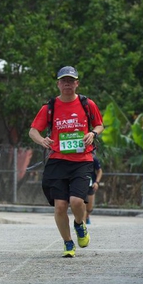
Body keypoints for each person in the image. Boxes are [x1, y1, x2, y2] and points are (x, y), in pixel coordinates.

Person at [29, 66, 104, 258]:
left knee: (77, 201)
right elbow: (33, 131)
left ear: (77, 83)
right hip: (58, 161)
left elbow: (99, 125)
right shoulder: (50, 107)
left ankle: (79, 224)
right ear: (58, 84)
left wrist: (92, 133)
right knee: (60, 206)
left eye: (71, 81)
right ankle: (68, 243)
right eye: (64, 81)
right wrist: (42, 140)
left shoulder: (87, 104)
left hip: (82, 160)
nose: (67, 84)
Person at [86, 155, 103, 225]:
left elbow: (99, 171)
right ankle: (81, 221)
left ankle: (87, 216)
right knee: (80, 204)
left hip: (90, 184)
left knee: (89, 207)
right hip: (79, 184)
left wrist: (96, 182)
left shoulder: (93, 158)